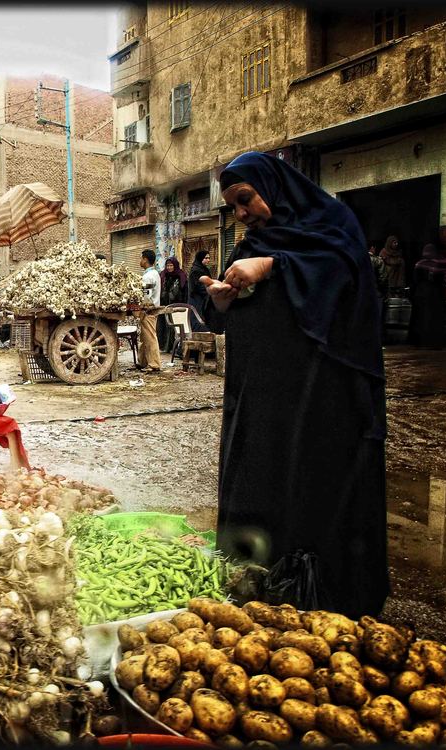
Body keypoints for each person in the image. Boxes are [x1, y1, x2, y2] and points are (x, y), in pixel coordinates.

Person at [200, 151, 388, 618]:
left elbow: (345, 273)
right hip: (260, 398)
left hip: (321, 396)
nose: (242, 215)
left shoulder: (332, 224)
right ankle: (261, 588)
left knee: (312, 483)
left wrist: (274, 266)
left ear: (274, 186)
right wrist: (223, 305)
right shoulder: (254, 240)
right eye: (235, 208)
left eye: (246, 200)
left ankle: (321, 595)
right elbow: (240, 315)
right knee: (261, 478)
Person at [408, 243, 446, 349]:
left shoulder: (420, 264)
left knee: (422, 319)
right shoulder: (444, 263)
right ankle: (434, 342)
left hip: (422, 294)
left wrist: (412, 294)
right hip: (437, 293)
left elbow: (415, 281)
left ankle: (422, 343)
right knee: (434, 319)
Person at [137, 249, 162, 372]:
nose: (140, 261)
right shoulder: (155, 274)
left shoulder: (148, 277)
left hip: (148, 310)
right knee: (145, 336)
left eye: (141, 258)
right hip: (153, 308)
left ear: (145, 260)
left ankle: (154, 364)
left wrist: (140, 306)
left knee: (150, 337)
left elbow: (146, 296)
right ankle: (142, 361)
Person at [157, 256, 187, 353]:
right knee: (163, 326)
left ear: (175, 265)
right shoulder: (162, 275)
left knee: (174, 327)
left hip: (176, 305)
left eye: (171, 265)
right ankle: (164, 347)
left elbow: (185, 291)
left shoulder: (181, 275)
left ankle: (174, 348)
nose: (169, 267)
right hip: (164, 304)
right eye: (167, 265)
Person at [187, 249, 212, 313]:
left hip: (203, 299)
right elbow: (198, 286)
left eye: (209, 258)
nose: (208, 260)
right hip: (197, 300)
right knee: (197, 319)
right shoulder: (196, 270)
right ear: (200, 258)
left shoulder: (204, 269)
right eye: (206, 258)